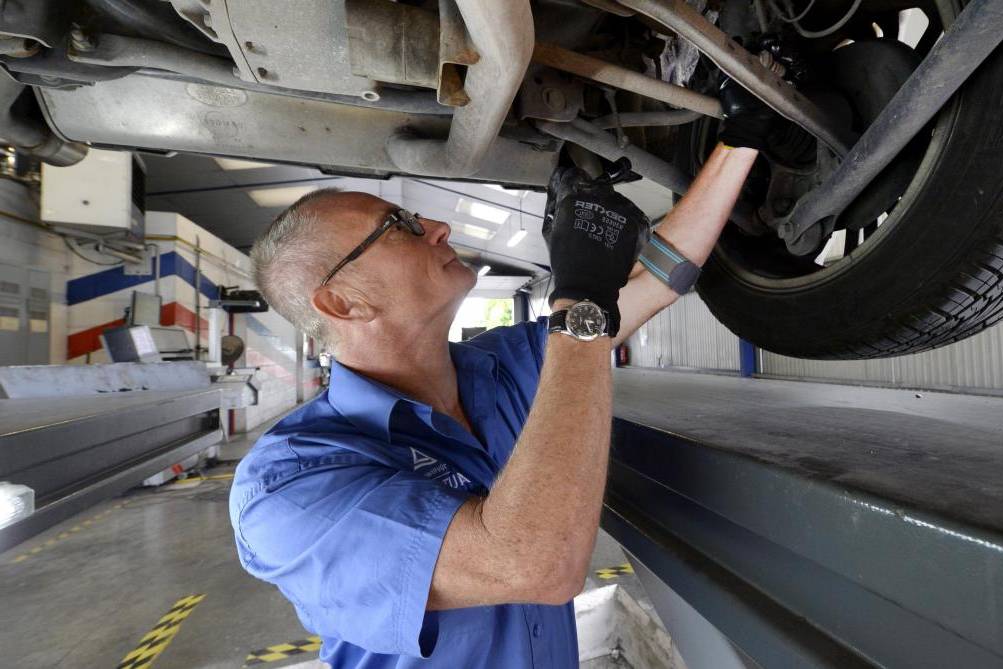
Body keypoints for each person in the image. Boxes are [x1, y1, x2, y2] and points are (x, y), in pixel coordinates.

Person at [230, 78, 795, 668]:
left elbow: (657, 280)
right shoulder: (287, 487)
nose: (438, 227)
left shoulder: (499, 367)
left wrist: (739, 140)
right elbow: (536, 564)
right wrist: (578, 303)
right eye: (399, 224)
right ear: (342, 303)